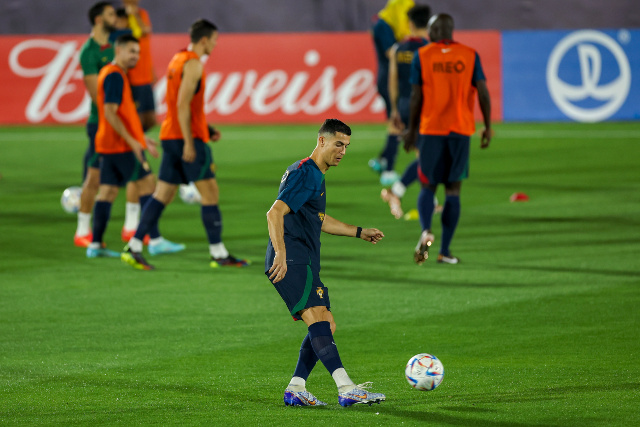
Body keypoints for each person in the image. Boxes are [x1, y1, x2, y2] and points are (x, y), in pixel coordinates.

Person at [265, 119, 387, 407]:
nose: (342, 150)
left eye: (346, 146)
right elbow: (274, 213)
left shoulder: (314, 174)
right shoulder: (305, 173)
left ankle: (296, 387)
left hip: (303, 258)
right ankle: (346, 388)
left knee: (326, 322)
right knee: (317, 319)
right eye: (337, 144)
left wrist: (359, 232)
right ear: (321, 141)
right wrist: (281, 253)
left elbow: (317, 219)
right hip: (292, 259)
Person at [121, 19, 248, 271]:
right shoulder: (193, 64)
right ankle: (218, 253)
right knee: (210, 192)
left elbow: (183, 106)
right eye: (213, 40)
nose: (214, 44)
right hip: (184, 138)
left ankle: (134, 247)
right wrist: (190, 142)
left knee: (163, 194)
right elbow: (181, 104)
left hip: (171, 135)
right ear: (204, 40)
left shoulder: (177, 59)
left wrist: (206, 128)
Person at [404, 14, 492, 265]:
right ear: (451, 31)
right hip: (461, 131)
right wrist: (487, 126)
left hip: (431, 130)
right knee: (453, 190)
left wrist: (411, 130)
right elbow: (483, 92)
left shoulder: (422, 55)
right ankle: (445, 251)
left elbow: (415, 97)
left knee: (427, 185)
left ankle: (425, 230)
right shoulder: (470, 54)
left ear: (432, 31)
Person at [86, 34, 181, 258]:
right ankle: (155, 240)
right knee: (149, 186)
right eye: (131, 51)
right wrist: (132, 142)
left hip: (108, 144)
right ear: (117, 51)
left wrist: (141, 137)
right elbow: (110, 112)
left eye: (138, 53)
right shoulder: (115, 76)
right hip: (121, 146)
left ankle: (95, 245)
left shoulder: (112, 74)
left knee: (107, 192)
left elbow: (122, 113)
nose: (135, 57)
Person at [77, 1, 142, 248]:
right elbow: (99, 97)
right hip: (102, 126)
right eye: (110, 14)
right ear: (97, 19)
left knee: (131, 180)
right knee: (96, 180)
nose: (115, 17)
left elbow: (137, 38)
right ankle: (83, 230)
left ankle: (131, 228)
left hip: (119, 124)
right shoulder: (89, 52)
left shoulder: (117, 41)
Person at [379, 4, 438, 220]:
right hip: (423, 108)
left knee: (423, 154)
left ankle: (430, 200)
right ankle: (396, 190)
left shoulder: (398, 49)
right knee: (429, 156)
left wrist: (394, 109)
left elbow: (392, 82)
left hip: (404, 106)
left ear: (410, 24)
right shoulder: (429, 49)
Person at [369, 0, 415, 186]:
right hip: (389, 81)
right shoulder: (383, 25)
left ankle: (382, 159)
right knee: (397, 123)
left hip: (396, 80)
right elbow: (390, 52)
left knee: (396, 122)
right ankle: (388, 169)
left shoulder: (392, 25)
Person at [122, 0, 156, 133]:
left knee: (151, 120)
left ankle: (134, 143)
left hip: (146, 75)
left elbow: (146, 31)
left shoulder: (141, 14)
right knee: (137, 119)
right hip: (133, 76)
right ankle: (134, 147)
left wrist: (151, 70)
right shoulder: (121, 18)